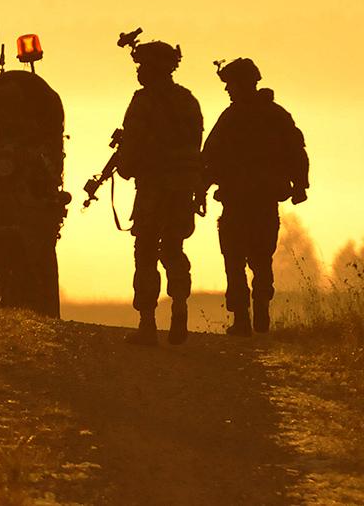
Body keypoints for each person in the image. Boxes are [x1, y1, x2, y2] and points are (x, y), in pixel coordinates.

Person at [201, 58, 309, 336]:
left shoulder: (232, 117)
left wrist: (199, 190)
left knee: (235, 261)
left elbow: (209, 157)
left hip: (238, 203)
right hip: (264, 204)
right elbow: (298, 151)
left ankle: (242, 320)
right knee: (262, 260)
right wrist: (300, 187)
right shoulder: (277, 115)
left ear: (243, 83)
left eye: (230, 84)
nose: (227, 90)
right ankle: (260, 313)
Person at [116, 41, 203, 345]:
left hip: (153, 189)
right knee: (174, 249)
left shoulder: (143, 102)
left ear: (154, 68)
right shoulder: (188, 101)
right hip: (181, 190)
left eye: (143, 66)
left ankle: (148, 324)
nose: (139, 71)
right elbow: (195, 146)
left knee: (147, 251)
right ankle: (179, 309)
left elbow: (132, 148)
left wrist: (125, 166)